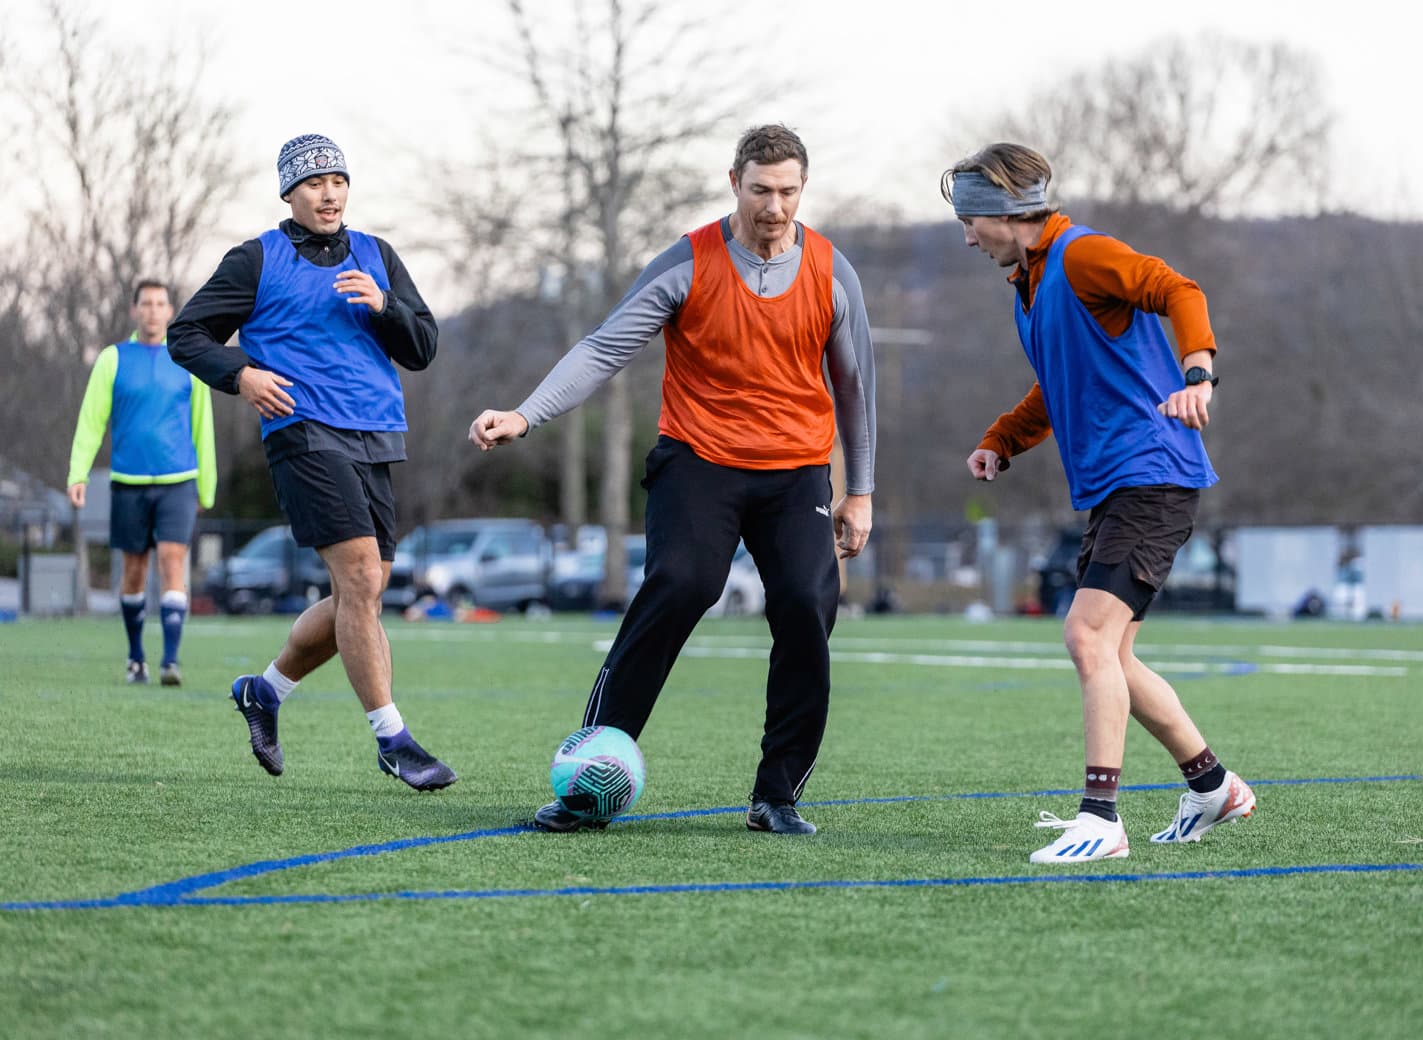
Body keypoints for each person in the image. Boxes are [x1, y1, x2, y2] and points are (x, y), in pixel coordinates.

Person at [469, 124, 876, 835]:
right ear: (733, 183)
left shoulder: (833, 274)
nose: (774, 206)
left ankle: (776, 795)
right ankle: (588, 775)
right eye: (760, 190)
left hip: (796, 472)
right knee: (681, 583)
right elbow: (603, 348)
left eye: (787, 191)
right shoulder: (688, 263)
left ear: (802, 189)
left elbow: (856, 388)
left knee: (809, 607)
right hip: (700, 460)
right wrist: (525, 415)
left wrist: (862, 489)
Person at [941, 143, 1254, 864]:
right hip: (1118, 486)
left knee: (1086, 637)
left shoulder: (1082, 256)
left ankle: (1101, 817)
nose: (965, 236)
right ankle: (1213, 788)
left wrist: (1199, 374)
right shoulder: (1030, 286)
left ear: (1007, 213)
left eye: (970, 220)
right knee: (1114, 653)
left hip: (1154, 473)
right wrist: (1003, 440)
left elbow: (1179, 289)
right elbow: (1058, 387)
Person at [169, 133, 455, 792]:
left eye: (338, 181)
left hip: (376, 433)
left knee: (365, 591)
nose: (328, 193)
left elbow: (424, 347)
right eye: (313, 183)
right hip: (301, 430)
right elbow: (189, 334)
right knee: (359, 578)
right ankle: (393, 740)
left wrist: (385, 307)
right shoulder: (255, 260)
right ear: (289, 193)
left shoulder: (377, 255)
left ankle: (265, 691)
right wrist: (240, 374)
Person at [68, 280, 216, 686]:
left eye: (160, 304)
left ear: (170, 311)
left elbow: (203, 426)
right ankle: (136, 658)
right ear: (135, 310)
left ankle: (170, 660)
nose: (153, 311)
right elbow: (91, 420)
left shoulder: (188, 359)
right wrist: (77, 472)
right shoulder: (112, 359)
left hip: (179, 481)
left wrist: (208, 486)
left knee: (173, 560)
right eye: (146, 304)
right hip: (128, 482)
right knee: (133, 572)